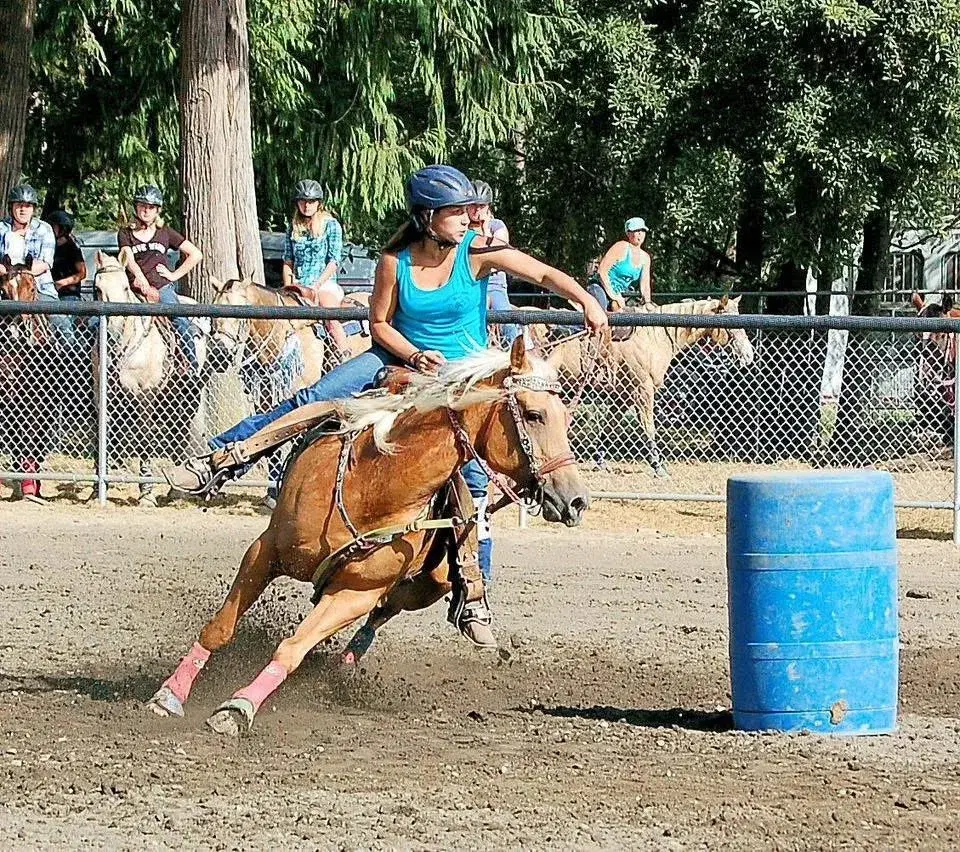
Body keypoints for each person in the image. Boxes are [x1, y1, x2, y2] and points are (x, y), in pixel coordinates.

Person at [165, 164, 608, 647]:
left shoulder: (478, 252)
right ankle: (222, 458)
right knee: (314, 397)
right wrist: (414, 353)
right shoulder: (394, 261)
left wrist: (585, 299)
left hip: (460, 381)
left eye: (467, 210)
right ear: (428, 217)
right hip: (397, 358)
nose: (467, 218)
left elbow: (541, 272)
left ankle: (474, 593)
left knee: (474, 484)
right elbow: (379, 324)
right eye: (455, 211)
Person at [117, 185, 204, 372]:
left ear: (157, 210)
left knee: (180, 320)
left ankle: (191, 367)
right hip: (134, 290)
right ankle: (103, 368)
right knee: (102, 322)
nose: (146, 210)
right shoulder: (125, 234)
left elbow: (196, 254)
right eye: (142, 205)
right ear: (136, 207)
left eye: (151, 206)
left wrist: (173, 275)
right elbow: (128, 257)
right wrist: (141, 280)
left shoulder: (165, 232)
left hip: (161, 288)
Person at [0, 184, 73, 343]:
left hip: (39, 286)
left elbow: (45, 263)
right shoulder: (1, 229)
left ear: (33, 209)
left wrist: (17, 271)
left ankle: (71, 357)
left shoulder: (44, 229)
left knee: (62, 324)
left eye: (27, 206)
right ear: (11, 207)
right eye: (19, 205)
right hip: (4, 286)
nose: (23, 210)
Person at [283, 179, 348, 354]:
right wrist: (288, 285)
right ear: (297, 203)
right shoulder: (292, 228)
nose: (306, 205)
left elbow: (334, 261)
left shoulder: (331, 225)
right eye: (302, 201)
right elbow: (288, 261)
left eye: (311, 201)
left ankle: (344, 355)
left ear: (318, 203)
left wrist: (317, 285)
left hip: (324, 283)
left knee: (329, 314)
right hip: (299, 285)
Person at [468, 180, 520, 347]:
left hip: (494, 284)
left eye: (481, 206)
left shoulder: (497, 226)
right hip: (470, 283)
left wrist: (485, 230)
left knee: (506, 321)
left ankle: (518, 351)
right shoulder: (461, 227)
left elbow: (500, 251)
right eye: (473, 205)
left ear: (488, 206)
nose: (476, 210)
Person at [589, 216, 652, 311]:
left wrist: (648, 303)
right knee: (599, 315)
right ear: (629, 234)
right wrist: (614, 295)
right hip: (601, 288)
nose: (640, 234)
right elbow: (602, 271)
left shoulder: (645, 258)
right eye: (636, 230)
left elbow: (645, 285)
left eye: (642, 231)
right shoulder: (621, 247)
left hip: (621, 294)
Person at [47, 210, 88, 342]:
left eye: (53, 226)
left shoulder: (72, 248)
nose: (50, 229)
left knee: (64, 324)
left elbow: (82, 273)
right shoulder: (49, 247)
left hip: (68, 295)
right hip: (51, 293)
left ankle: (70, 349)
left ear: (62, 228)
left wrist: (62, 283)